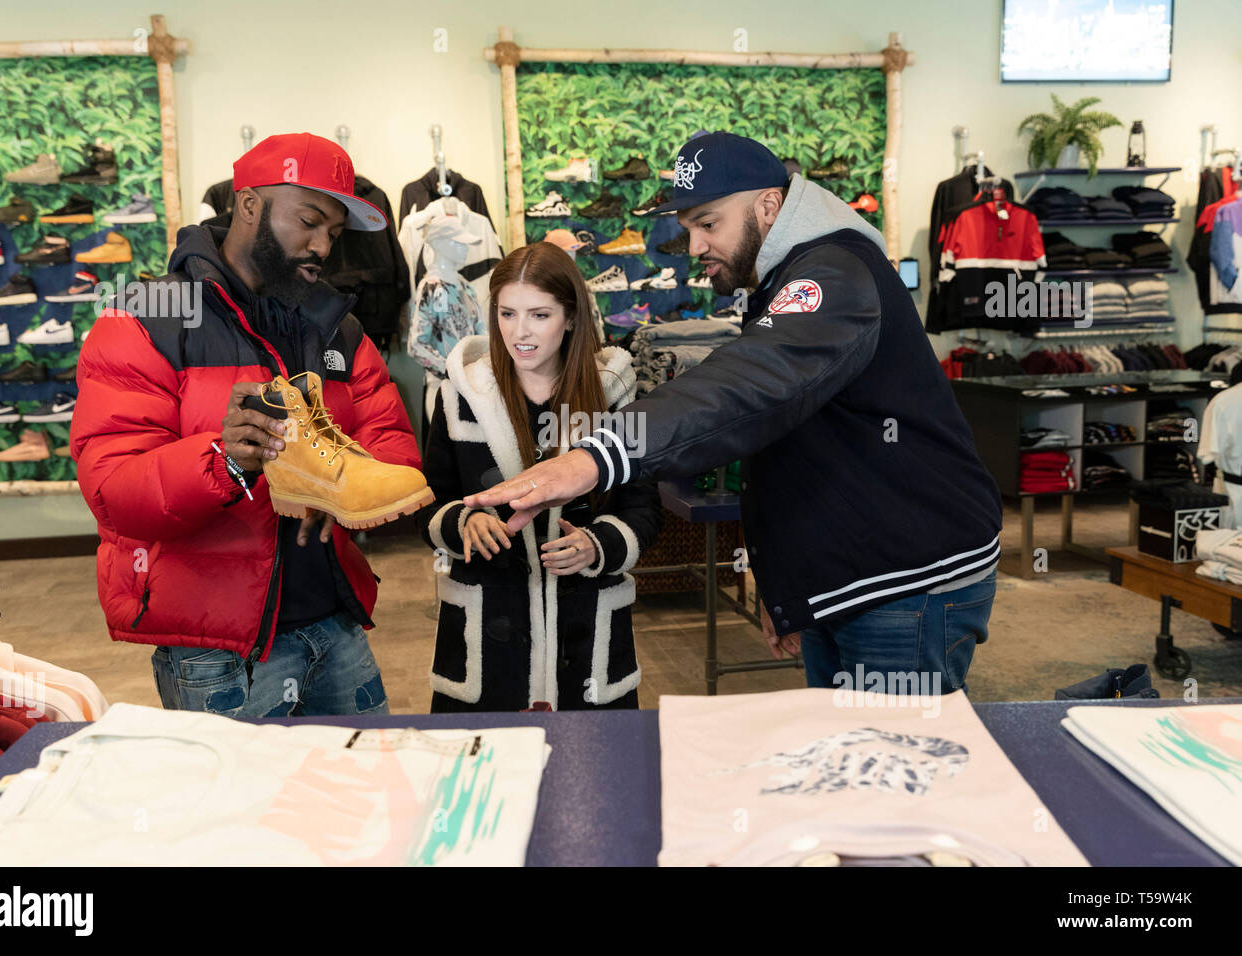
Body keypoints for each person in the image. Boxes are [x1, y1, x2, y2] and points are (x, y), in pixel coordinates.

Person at [466, 131, 1002, 695]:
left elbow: (748, 384)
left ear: (768, 205)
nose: (694, 245)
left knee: (896, 768)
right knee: (853, 764)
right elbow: (781, 438)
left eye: (708, 223)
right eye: (688, 227)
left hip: (907, 581)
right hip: (854, 574)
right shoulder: (792, 275)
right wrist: (787, 588)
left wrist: (596, 457)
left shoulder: (833, 273)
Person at [72, 133, 420, 716]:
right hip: (219, 648)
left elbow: (394, 454)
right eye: (308, 221)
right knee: (241, 809)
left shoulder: (340, 328)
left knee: (368, 795)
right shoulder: (147, 318)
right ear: (250, 204)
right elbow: (113, 491)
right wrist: (225, 460)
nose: (321, 246)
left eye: (334, 233)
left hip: (335, 625)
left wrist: (345, 490)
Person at [418, 240, 662, 711]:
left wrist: (598, 544)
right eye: (507, 314)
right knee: (485, 776)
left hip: (587, 639)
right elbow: (429, 501)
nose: (519, 332)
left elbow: (643, 506)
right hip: (486, 644)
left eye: (539, 315)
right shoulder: (459, 397)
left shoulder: (612, 395)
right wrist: (462, 524)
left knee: (593, 775)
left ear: (570, 317)